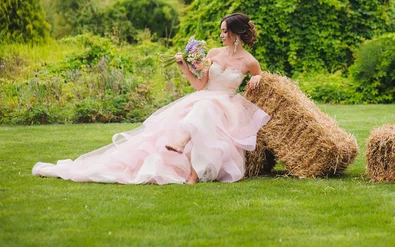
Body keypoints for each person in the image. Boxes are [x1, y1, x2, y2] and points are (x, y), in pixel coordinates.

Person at [32, 13, 270, 184]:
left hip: (226, 107)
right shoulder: (213, 54)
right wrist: (184, 67)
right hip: (204, 99)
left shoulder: (250, 62)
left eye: (224, 31)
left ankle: (189, 163)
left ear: (237, 34)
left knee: (207, 112)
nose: (220, 35)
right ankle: (190, 172)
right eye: (221, 30)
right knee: (204, 111)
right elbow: (200, 86)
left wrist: (259, 79)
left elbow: (264, 83)